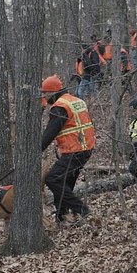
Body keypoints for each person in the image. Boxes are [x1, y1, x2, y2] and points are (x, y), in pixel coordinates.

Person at [41, 74, 95, 225]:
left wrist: (36, 149)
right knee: (65, 183)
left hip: (75, 150)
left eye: (45, 93)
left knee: (53, 179)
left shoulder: (60, 107)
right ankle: (61, 217)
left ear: (52, 91)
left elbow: (50, 133)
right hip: (85, 148)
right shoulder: (75, 100)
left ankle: (82, 211)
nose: (44, 97)